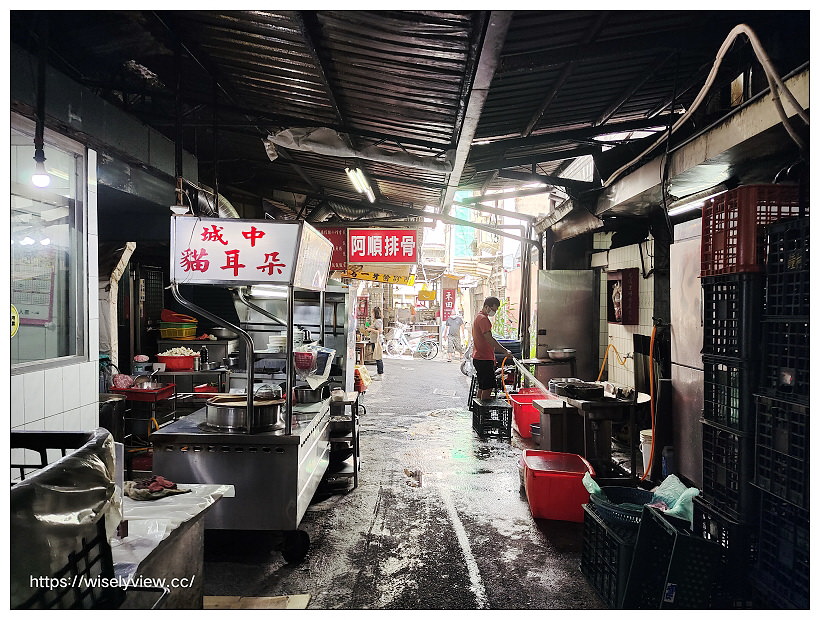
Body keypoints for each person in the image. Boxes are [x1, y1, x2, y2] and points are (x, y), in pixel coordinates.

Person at [471, 297, 512, 400]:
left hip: (480, 358)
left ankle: (479, 413)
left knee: (482, 387)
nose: (494, 312)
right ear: (486, 307)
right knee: (487, 389)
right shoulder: (483, 319)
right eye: (494, 309)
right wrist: (504, 351)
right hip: (484, 359)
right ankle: (484, 414)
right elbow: (489, 339)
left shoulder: (478, 317)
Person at [366, 307, 384, 380]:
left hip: (378, 342)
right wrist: (368, 326)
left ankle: (380, 375)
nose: (372, 314)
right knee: (377, 358)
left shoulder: (378, 321)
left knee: (378, 358)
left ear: (375, 313)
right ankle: (378, 373)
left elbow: (380, 331)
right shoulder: (375, 321)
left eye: (372, 312)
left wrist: (371, 329)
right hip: (374, 341)